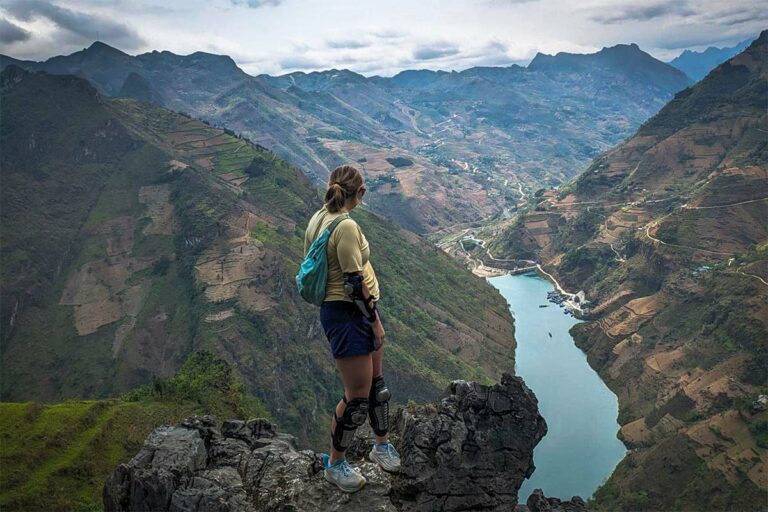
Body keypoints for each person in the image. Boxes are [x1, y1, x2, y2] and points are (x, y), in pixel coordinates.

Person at [303, 164, 401, 493]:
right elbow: (353, 282)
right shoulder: (344, 226)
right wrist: (375, 322)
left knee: (377, 386)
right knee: (357, 397)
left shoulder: (319, 217)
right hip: (350, 314)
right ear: (358, 194)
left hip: (354, 311)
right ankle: (335, 463)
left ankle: (381, 445)